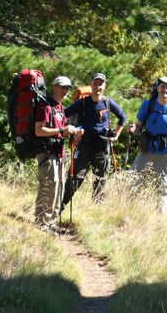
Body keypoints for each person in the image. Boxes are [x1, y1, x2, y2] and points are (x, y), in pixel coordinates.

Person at [61, 72, 128, 207]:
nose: (97, 86)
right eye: (95, 83)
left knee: (100, 180)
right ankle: (60, 205)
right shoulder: (83, 102)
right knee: (75, 178)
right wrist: (69, 129)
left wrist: (116, 135)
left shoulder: (108, 103)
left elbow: (123, 117)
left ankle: (97, 210)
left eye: (100, 84)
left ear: (104, 86)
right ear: (91, 85)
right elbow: (64, 114)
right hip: (84, 144)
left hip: (101, 147)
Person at [127, 76, 167, 215]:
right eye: (162, 86)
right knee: (132, 181)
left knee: (164, 188)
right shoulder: (148, 105)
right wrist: (132, 129)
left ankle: (161, 220)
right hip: (146, 149)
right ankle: (128, 213)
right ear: (158, 88)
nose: (165, 90)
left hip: (166, 152)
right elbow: (138, 127)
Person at [34, 75, 83, 234]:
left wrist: (73, 132)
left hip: (59, 152)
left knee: (59, 186)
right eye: (62, 87)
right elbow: (38, 130)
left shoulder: (60, 107)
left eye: (68, 88)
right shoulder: (45, 105)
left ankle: (51, 221)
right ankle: (41, 223)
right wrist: (62, 130)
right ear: (54, 86)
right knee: (48, 186)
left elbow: (61, 131)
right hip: (47, 152)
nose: (65, 90)